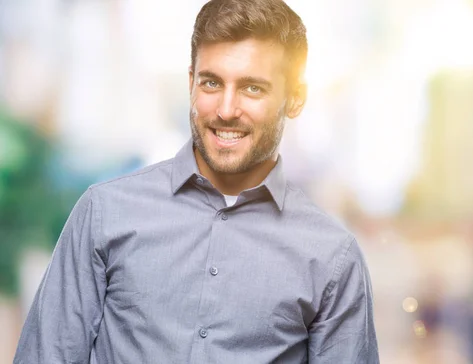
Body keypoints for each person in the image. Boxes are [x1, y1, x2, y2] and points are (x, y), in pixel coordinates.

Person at [14, 0, 379, 362]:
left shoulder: (333, 257)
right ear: (191, 83)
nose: (225, 109)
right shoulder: (105, 213)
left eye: (252, 88)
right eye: (211, 83)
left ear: (295, 98)